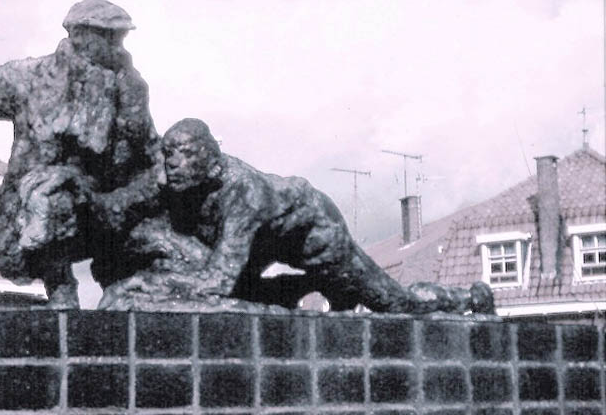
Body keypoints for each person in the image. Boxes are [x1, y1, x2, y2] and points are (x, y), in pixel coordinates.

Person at [106, 118, 494, 314]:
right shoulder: (179, 178)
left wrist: (151, 286)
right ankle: (308, 287)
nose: (174, 163)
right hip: (265, 243)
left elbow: (216, 281)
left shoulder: (243, 193)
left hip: (315, 236)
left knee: (395, 303)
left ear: (211, 162)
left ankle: (465, 298)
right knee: (244, 292)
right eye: (169, 154)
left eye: (187, 155)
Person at [0, 0, 163, 305]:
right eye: (108, 36)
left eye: (120, 37)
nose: (117, 46)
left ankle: (128, 289)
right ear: (79, 35)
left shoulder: (131, 87)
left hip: (107, 205)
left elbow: (148, 149)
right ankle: (60, 286)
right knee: (49, 196)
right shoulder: (33, 77)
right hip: (38, 207)